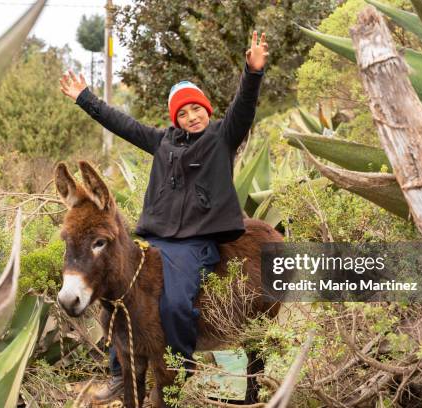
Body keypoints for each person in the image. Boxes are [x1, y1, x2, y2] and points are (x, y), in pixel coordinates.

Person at [59, 30, 268, 402]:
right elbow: (120, 122)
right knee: (114, 296)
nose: (191, 117)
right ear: (175, 118)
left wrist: (252, 74)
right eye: (183, 112)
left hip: (196, 242)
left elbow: (244, 109)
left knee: (173, 302)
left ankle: (177, 364)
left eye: (196, 109)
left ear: (208, 110)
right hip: (155, 238)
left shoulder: (222, 137)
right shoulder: (162, 141)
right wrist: (84, 99)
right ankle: (122, 374)